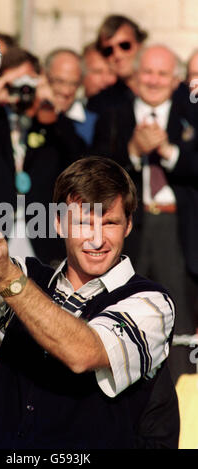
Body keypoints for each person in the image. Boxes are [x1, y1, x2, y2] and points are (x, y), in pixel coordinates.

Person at [0, 121, 177, 448]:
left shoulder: (152, 303)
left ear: (129, 225)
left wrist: (8, 278)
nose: (96, 238)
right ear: (59, 222)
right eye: (84, 222)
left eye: (109, 223)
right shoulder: (30, 277)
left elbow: (82, 352)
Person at [91, 44, 198, 383]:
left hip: (175, 228)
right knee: (123, 311)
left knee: (177, 317)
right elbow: (96, 171)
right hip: (128, 228)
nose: (154, 80)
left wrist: (168, 151)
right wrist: (133, 153)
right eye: (148, 72)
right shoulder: (113, 115)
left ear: (176, 78)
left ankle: (182, 400)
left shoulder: (192, 115)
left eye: (162, 73)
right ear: (136, 77)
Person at [0, 46, 85, 266]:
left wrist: (51, 105)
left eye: (29, 82)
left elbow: (79, 159)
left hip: (42, 234)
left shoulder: (50, 123)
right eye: (17, 83)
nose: (23, 89)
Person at [87, 14, 148, 115]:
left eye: (124, 46)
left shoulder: (169, 89)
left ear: (140, 45)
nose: (117, 55)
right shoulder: (100, 104)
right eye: (108, 50)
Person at [44, 48, 98, 146]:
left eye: (73, 84)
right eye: (59, 81)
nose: (66, 91)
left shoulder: (93, 125)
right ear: (44, 77)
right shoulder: (30, 116)